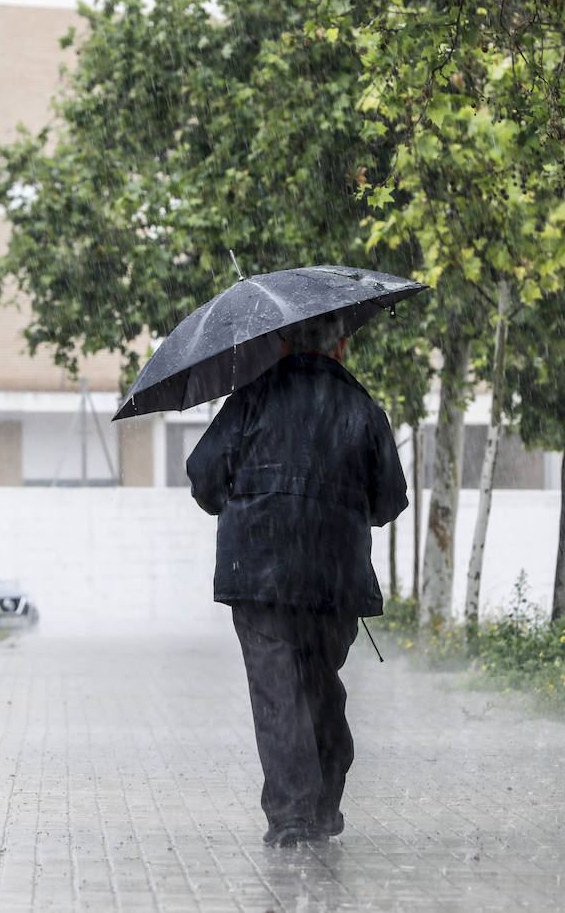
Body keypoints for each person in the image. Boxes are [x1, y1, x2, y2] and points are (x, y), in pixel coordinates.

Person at [186, 311, 408, 848]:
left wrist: (237, 500)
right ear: (342, 348)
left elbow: (204, 476)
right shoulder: (362, 408)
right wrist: (343, 510)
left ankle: (292, 816)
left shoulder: (251, 398)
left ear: (283, 344)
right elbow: (390, 499)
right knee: (319, 689)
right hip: (334, 576)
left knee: (278, 693)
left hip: (258, 573)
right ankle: (323, 803)